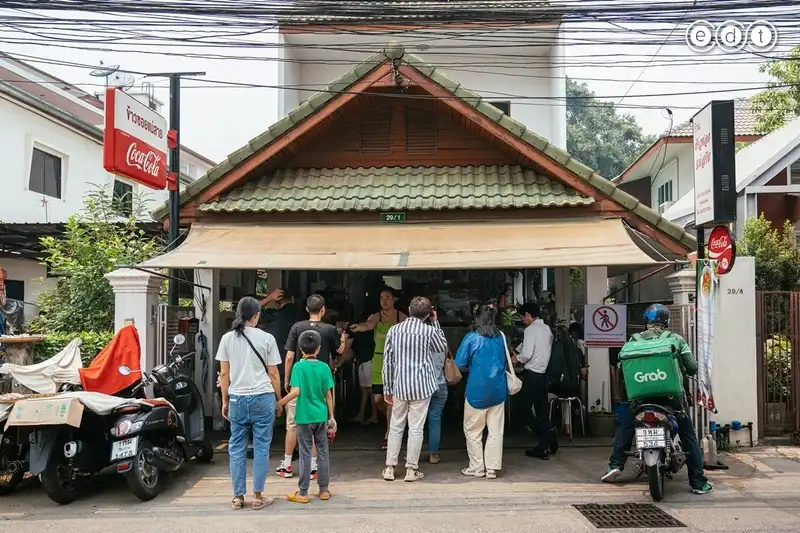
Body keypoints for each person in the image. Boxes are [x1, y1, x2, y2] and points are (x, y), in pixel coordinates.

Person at [602, 304, 713, 495]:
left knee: (627, 426)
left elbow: (622, 368)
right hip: (671, 398)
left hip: (640, 397)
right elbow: (693, 367)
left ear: (646, 322)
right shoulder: (676, 339)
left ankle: (615, 465)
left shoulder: (633, 340)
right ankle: (698, 482)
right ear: (666, 322)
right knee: (688, 435)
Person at [216, 296, 283, 510]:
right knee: (261, 446)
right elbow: (273, 373)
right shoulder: (267, 338)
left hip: (237, 397)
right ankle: (258, 496)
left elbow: (224, 373)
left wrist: (225, 400)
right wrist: (279, 399)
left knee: (236, 448)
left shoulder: (227, 339)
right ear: (256, 315)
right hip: (263, 397)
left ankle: (237, 497)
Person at [276, 294, 347, 479]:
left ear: (307, 309)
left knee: (292, 424)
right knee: (317, 426)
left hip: (298, 380)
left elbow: (290, 355)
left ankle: (286, 465)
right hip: (320, 383)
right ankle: (314, 467)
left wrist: (286, 379)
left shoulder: (297, 327)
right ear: (323, 309)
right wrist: (344, 338)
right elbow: (339, 351)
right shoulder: (330, 329)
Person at [381, 296, 448, 482]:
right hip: (422, 386)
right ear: (428, 314)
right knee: (416, 428)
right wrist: (435, 323)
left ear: (409, 310)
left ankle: (389, 468)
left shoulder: (394, 330)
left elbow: (388, 362)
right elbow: (442, 346)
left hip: (400, 385)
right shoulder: (429, 331)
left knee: (396, 426)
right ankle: (411, 470)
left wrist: (387, 387)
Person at [277, 330, 336, 503]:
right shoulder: (325, 367)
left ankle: (303, 492)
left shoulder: (298, 367)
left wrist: (279, 403)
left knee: (305, 453)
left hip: (304, 417)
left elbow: (296, 391)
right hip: (321, 415)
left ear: (301, 350)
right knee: (323, 452)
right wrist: (331, 416)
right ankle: (324, 490)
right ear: (318, 349)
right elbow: (328, 394)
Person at [350, 288, 408, 449]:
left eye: (388, 297)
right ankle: (395, 421)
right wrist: (358, 327)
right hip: (378, 360)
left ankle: (389, 434)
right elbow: (368, 325)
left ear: (394, 299)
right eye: (382, 298)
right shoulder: (376, 316)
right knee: (377, 399)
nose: (384, 301)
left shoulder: (401, 317)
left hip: (396, 361)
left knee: (391, 400)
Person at [454, 304, 508, 479]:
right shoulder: (501, 337)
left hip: (477, 391)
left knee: (473, 430)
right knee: (495, 431)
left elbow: (459, 363)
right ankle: (492, 468)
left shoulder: (472, 338)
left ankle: (477, 467)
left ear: (477, 318)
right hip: (499, 390)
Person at [513, 301, 558, 460]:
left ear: (527, 315)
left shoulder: (530, 330)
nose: (522, 320)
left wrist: (515, 359)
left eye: (522, 317)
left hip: (532, 375)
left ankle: (547, 435)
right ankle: (543, 445)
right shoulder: (547, 329)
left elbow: (526, 354)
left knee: (521, 411)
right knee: (541, 412)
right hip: (543, 375)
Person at [426, 333, 449, 465]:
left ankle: (414, 454)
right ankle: (433, 454)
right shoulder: (442, 341)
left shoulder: (421, 341)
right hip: (440, 383)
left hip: (424, 385)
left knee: (416, 420)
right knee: (435, 420)